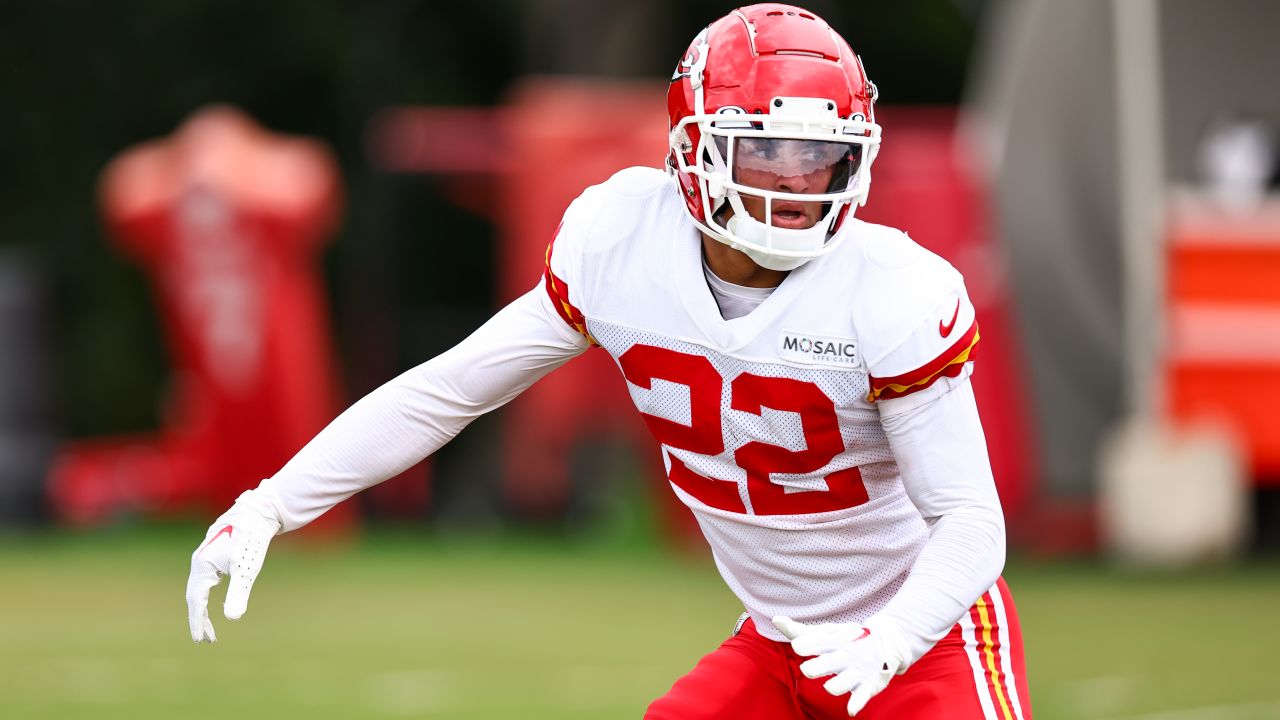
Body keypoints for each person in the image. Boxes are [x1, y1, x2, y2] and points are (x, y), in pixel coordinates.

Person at [185, 4, 1032, 718]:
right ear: (694, 146)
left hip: (928, 640)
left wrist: (887, 644)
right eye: (764, 149)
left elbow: (970, 521)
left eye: (819, 156)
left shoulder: (889, 289)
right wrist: (271, 505)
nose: (796, 180)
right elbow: (447, 391)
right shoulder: (622, 244)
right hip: (777, 642)